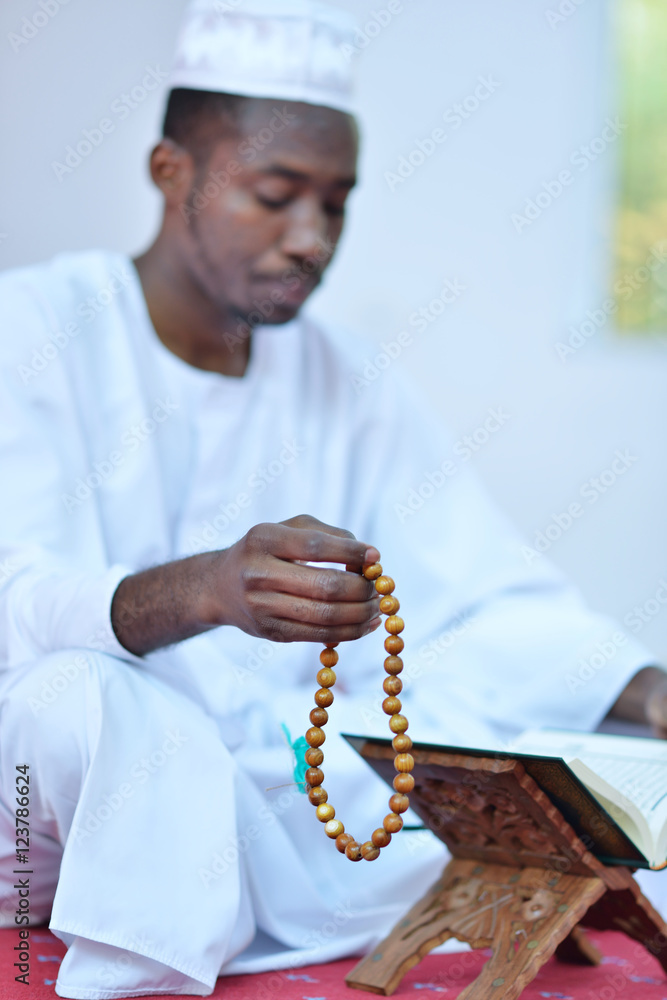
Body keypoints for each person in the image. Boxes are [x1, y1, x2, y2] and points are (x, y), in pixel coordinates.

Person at [1, 1, 666, 996]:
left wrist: (645, 690)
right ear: (168, 171)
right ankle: (140, 961)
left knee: (527, 770)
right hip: (85, 798)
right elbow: (21, 604)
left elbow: (479, 595)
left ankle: (232, 901)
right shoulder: (35, 325)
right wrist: (207, 590)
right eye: (275, 195)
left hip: (286, 798)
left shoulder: (343, 373)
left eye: (337, 203)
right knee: (81, 702)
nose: (312, 237)